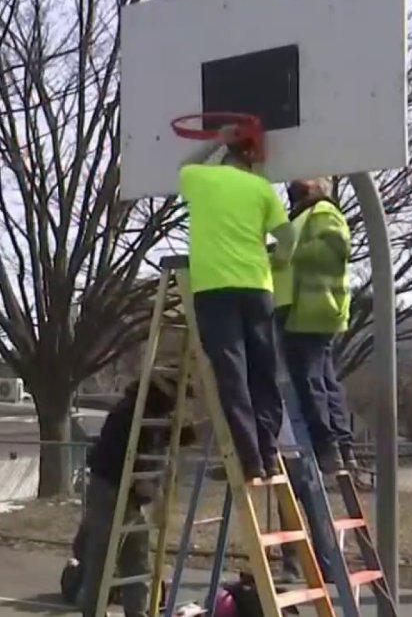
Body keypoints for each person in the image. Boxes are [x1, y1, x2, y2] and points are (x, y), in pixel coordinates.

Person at [179, 124, 296, 480]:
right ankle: (269, 451)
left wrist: (216, 139)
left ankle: (250, 459)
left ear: (226, 156)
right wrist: (280, 261)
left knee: (232, 375)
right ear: (251, 162)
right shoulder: (261, 188)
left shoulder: (200, 180)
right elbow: (288, 236)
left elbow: (185, 165)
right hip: (257, 288)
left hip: (214, 289)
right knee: (264, 372)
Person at [77, 376, 186, 617]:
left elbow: (172, 436)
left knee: (136, 558)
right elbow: (140, 470)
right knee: (104, 561)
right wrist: (157, 499)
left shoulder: (149, 412)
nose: (178, 404)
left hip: (128, 494)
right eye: (178, 395)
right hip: (111, 489)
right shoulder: (132, 414)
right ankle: (93, 612)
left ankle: (136, 611)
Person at [273, 177, 357, 474]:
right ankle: (340, 445)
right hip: (304, 306)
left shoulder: (322, 211)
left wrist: (284, 252)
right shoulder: (304, 215)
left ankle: (326, 445)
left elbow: (334, 249)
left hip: (308, 306)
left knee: (308, 380)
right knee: (322, 378)